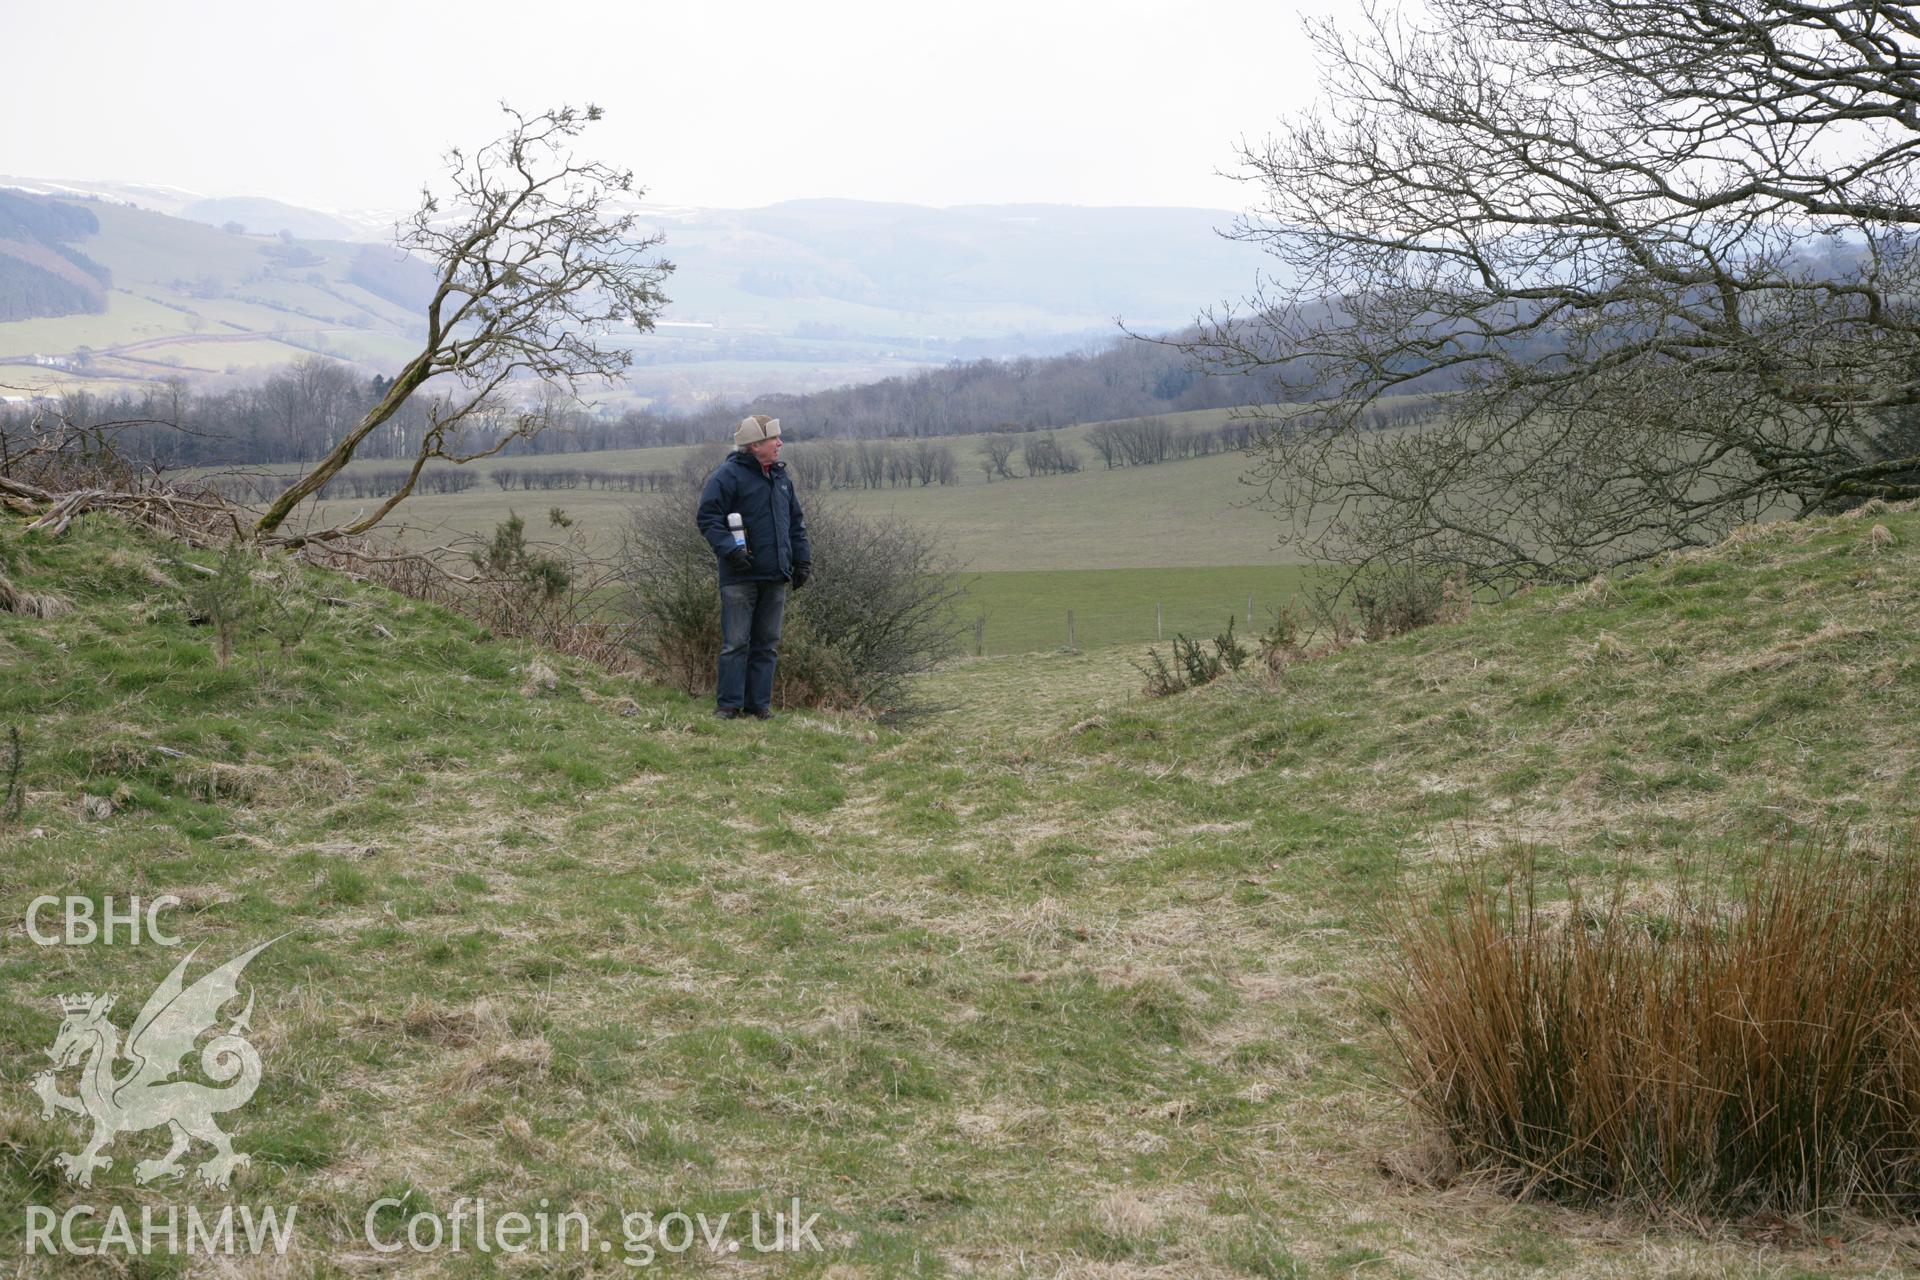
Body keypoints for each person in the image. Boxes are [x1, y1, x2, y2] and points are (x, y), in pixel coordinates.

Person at [696, 415, 812, 720]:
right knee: (736, 643)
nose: (780, 443)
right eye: (774, 439)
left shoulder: (781, 478)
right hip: (739, 576)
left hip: (776, 575)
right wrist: (730, 552)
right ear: (755, 445)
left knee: (767, 645)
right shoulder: (727, 476)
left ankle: (759, 706)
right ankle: (728, 706)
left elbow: (796, 524)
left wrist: (802, 561)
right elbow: (708, 518)